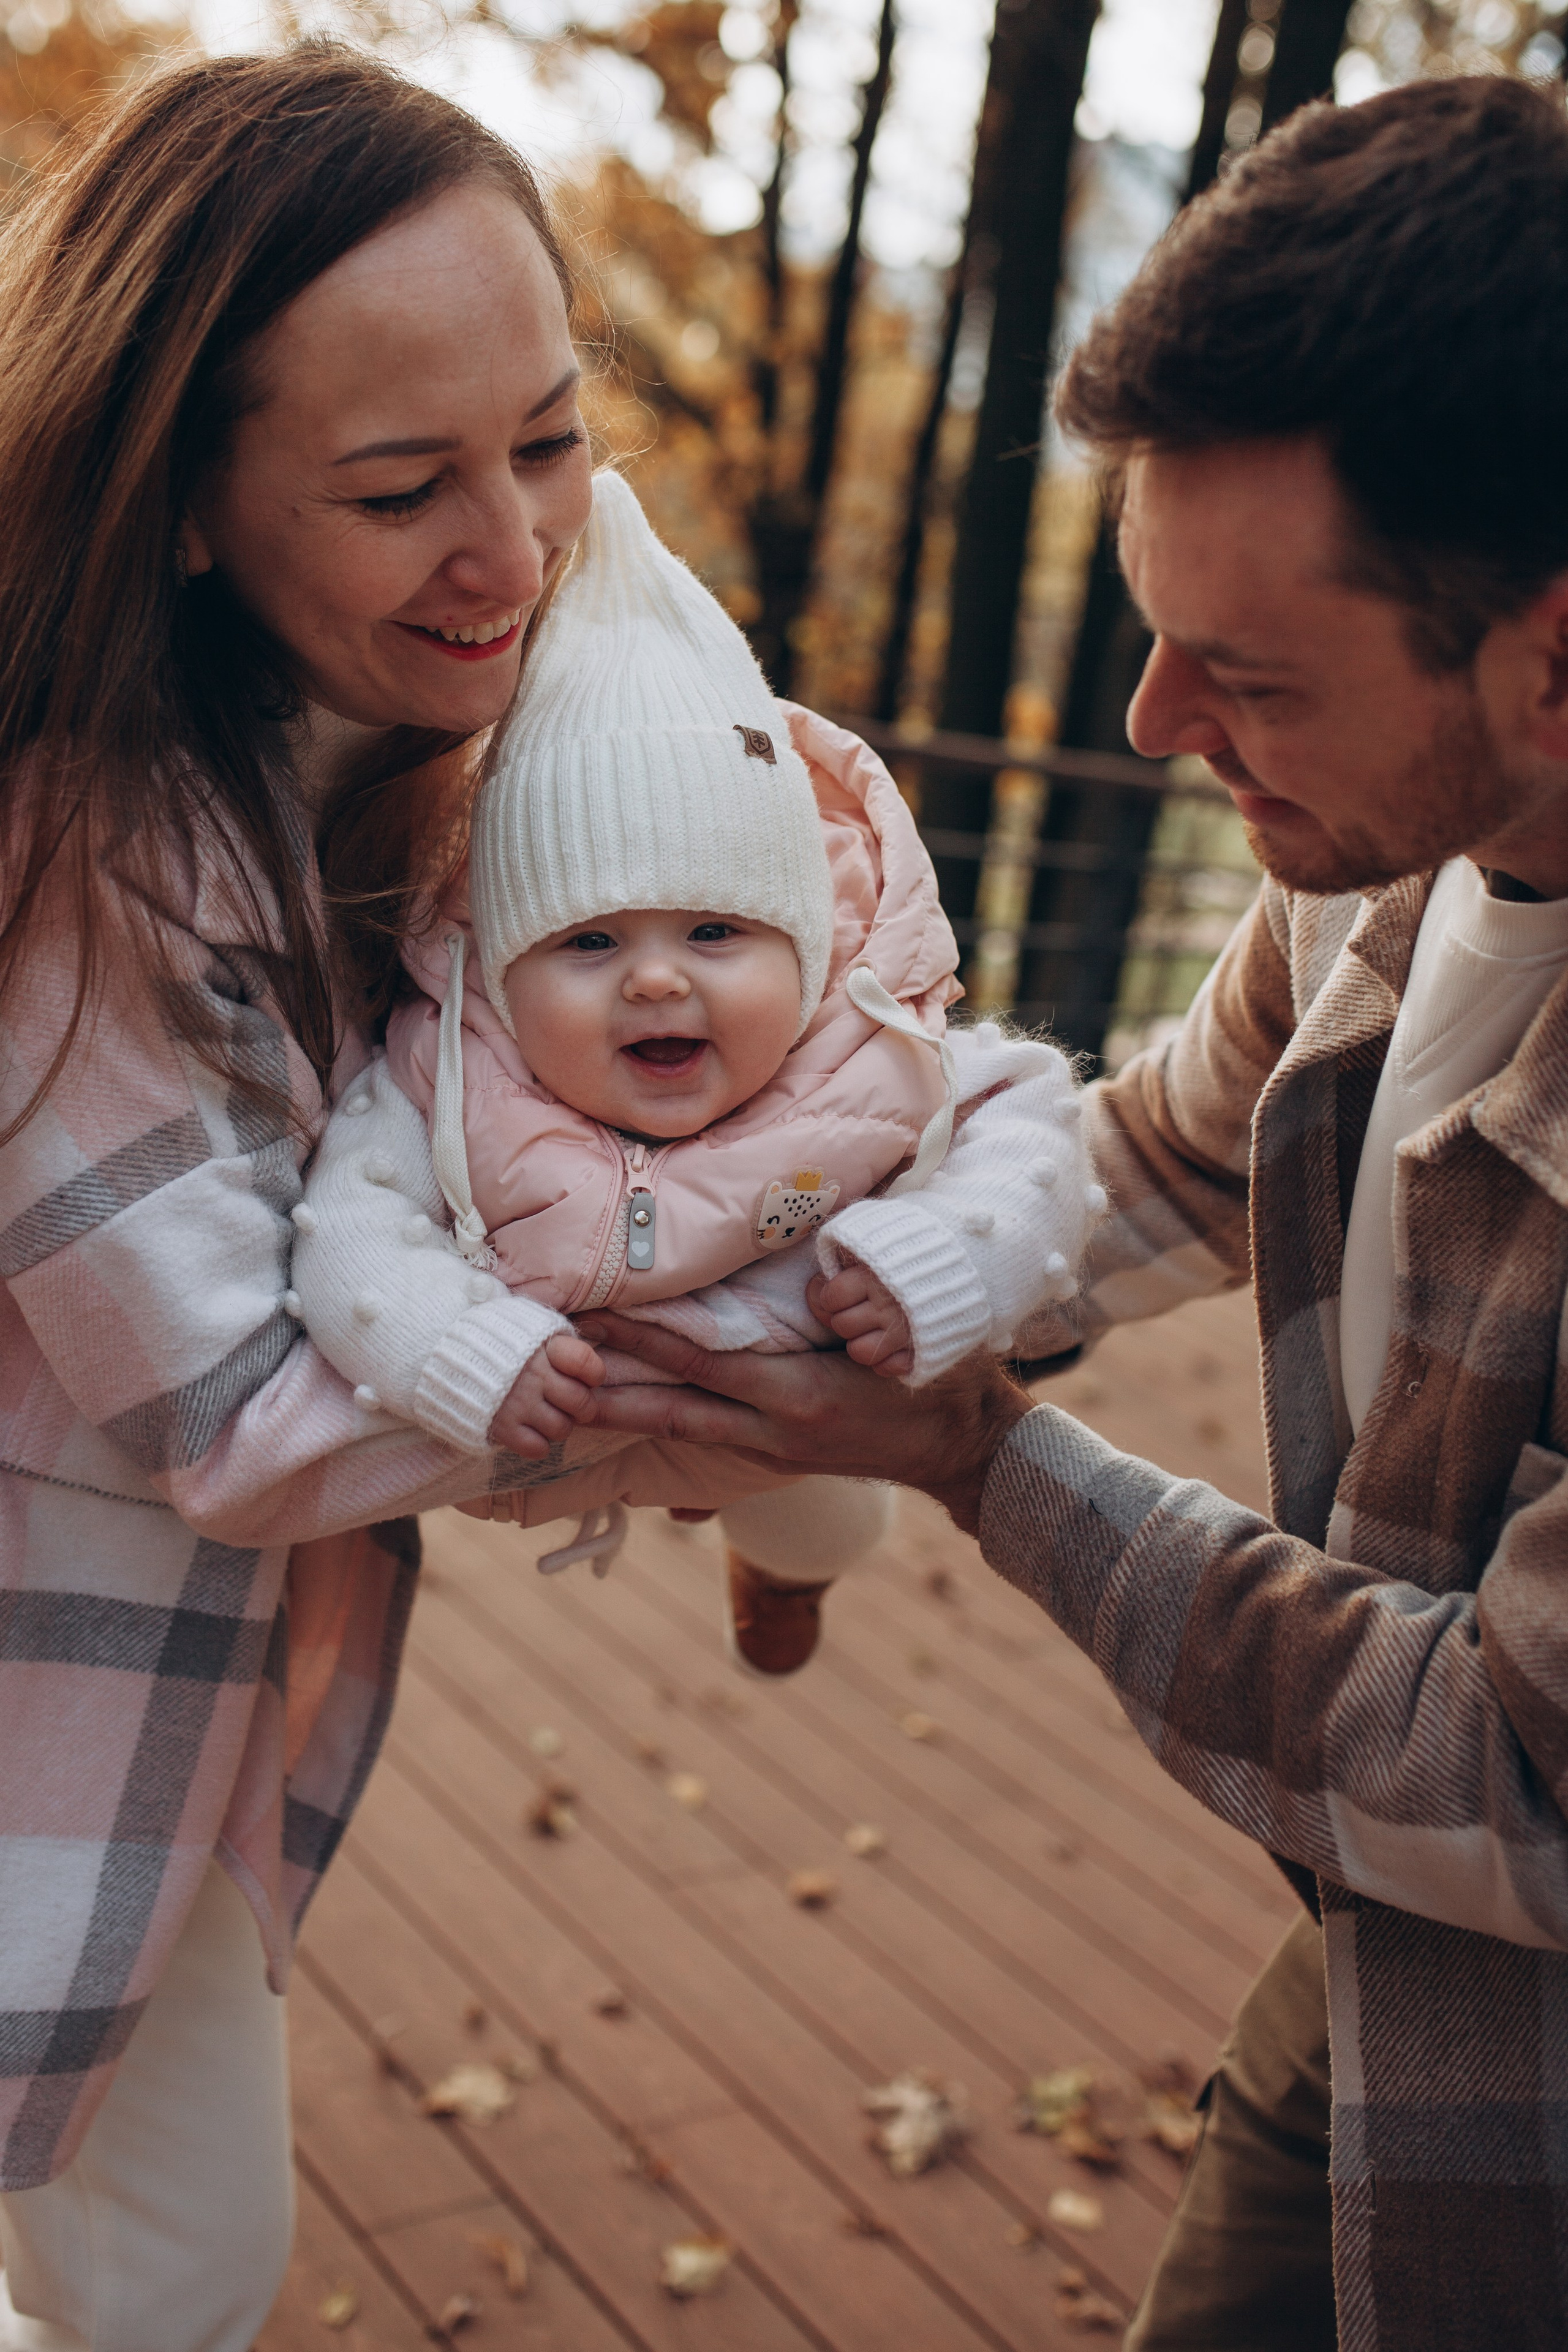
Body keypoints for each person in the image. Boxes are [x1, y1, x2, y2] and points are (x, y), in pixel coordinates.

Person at [568, 75, 1568, 2352]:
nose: (1145, 720)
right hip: (1373, 1972)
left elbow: (1516, 1770)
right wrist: (806, 1246)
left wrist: (975, 1458)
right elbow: (1156, 1157)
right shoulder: (1386, 871)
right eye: (1150, 627)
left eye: (1253, 678)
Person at [0, 43, 888, 2349]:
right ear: (181, 501)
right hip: (52, 1676)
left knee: (175, 2264)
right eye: (405, 486)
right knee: (164, 2268)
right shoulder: (76, 862)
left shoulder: (449, 778)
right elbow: (235, 1412)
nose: (514, 549)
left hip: (149, 1699)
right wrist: (751, 1399)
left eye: (551, 438)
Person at [288, 465, 1101, 1667]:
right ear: (501, 972)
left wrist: (942, 1266)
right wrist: (454, 1344)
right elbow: (348, 1229)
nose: (658, 981)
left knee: (824, 1524)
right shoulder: (448, 1078)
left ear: (805, 944)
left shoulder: (863, 1044)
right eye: (588, 942)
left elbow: (1037, 1127)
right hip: (559, 1420)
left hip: (803, 1412)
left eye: (715, 934)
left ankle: (785, 1583)